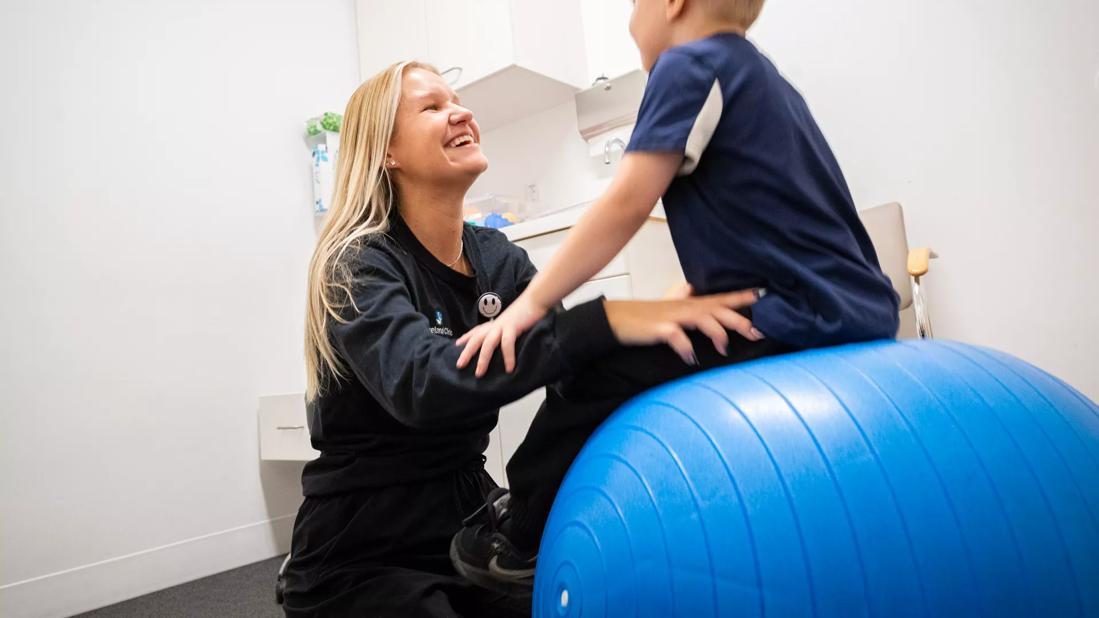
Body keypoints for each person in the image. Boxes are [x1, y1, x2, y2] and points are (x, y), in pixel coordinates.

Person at [282, 60, 761, 617]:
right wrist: (607, 321)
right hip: (361, 547)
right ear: (386, 152)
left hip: (468, 521)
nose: (460, 112)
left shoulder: (497, 258)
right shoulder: (357, 262)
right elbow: (424, 384)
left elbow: (570, 364)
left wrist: (669, 331)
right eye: (433, 107)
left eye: (457, 99)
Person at [450, 0, 900, 594]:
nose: (629, 17)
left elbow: (626, 204)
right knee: (652, 344)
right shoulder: (762, 77)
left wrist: (528, 308)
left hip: (795, 318)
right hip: (849, 307)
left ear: (672, 4)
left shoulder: (688, 67)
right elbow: (771, 217)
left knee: (590, 373)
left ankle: (522, 536)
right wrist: (686, 293)